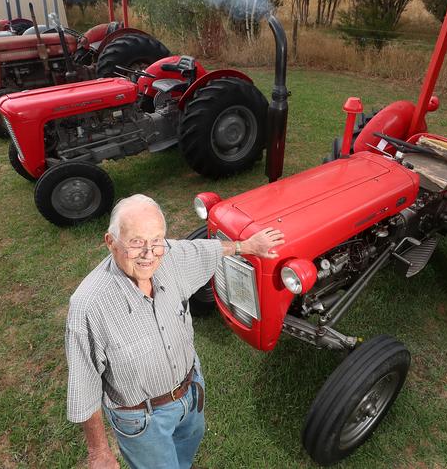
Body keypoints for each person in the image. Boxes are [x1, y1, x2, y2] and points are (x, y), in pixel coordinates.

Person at [65, 194, 284, 469]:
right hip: (142, 421)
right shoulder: (89, 305)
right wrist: (99, 452)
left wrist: (246, 245)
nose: (149, 254)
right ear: (111, 242)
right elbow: (83, 385)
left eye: (156, 240)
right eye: (136, 243)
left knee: (184, 458)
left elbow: (206, 250)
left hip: (191, 393)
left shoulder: (168, 255)